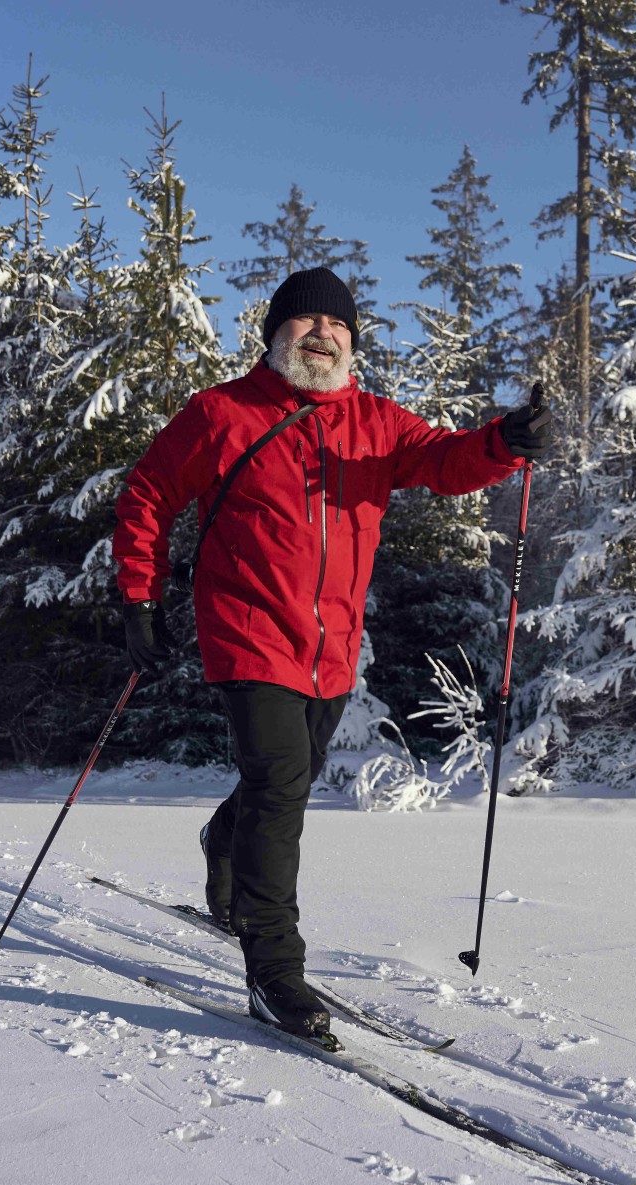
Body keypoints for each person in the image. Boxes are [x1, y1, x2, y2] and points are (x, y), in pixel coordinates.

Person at [111, 266, 551, 1041]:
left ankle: (225, 837)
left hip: (332, 647)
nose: (323, 336)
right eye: (306, 324)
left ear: (352, 342)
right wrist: (139, 597)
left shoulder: (376, 422)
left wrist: (503, 444)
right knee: (281, 786)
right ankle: (274, 969)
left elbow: (448, 463)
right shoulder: (222, 413)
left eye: (337, 327)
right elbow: (147, 493)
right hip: (248, 631)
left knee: (289, 780)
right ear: (275, 335)